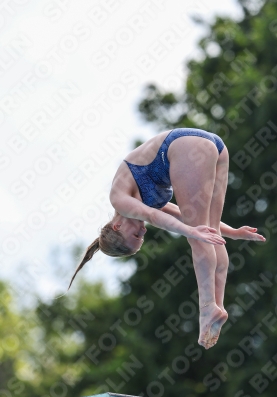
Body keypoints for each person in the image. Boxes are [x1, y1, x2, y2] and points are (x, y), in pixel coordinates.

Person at [68, 128, 265, 349]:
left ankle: (207, 307)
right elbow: (184, 214)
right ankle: (217, 305)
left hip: (184, 148)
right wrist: (234, 232)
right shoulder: (142, 201)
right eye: (141, 238)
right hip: (215, 148)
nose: (144, 232)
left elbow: (155, 216)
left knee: (199, 237)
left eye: (136, 234)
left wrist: (190, 231)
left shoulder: (119, 198)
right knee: (212, 235)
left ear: (117, 226)